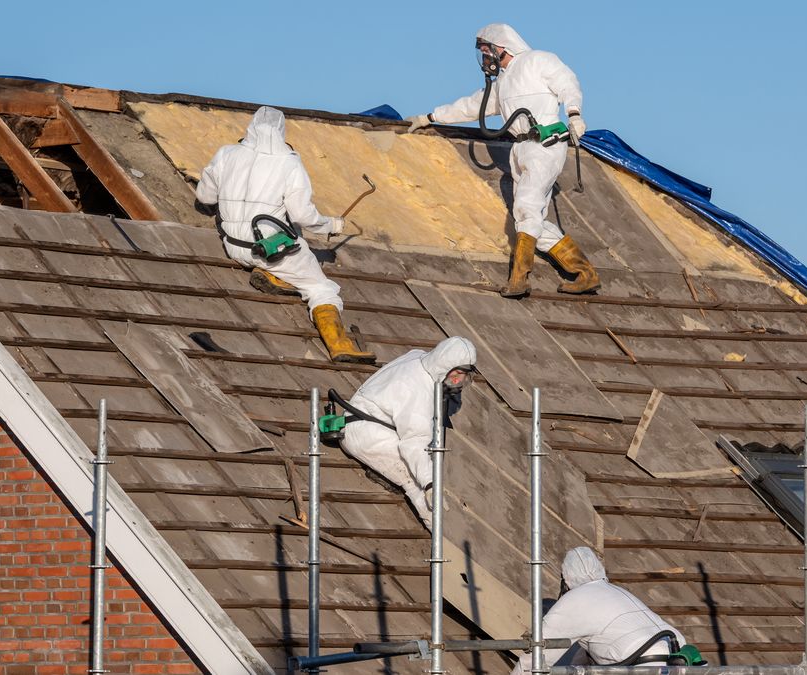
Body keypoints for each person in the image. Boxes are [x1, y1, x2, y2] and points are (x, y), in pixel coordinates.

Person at [406, 24, 601, 298]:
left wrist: (574, 114)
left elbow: (568, 82)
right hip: (520, 147)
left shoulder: (537, 60)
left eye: (487, 50)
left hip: (545, 143)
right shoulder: (502, 84)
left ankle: (519, 279)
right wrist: (430, 117)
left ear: (502, 47)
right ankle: (585, 273)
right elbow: (472, 106)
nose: (485, 57)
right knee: (531, 219)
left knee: (526, 207)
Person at [197, 106, 374, 364]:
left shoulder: (227, 154)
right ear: (281, 131)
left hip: (234, 246)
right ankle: (340, 345)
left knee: (287, 247)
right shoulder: (289, 162)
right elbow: (302, 216)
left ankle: (275, 277)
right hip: (270, 251)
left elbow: (204, 197)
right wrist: (331, 225)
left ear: (251, 127)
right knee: (321, 288)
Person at [339, 337, 477, 530]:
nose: (458, 381)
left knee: (423, 465)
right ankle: (443, 537)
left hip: (364, 421)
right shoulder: (417, 390)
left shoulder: (419, 357)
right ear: (443, 365)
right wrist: (430, 483)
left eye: (465, 375)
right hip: (367, 435)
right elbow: (414, 442)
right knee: (416, 482)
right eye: (457, 373)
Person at [509, 547, 686, 672]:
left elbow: (537, 655)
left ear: (566, 579)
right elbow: (585, 654)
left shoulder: (574, 599)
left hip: (643, 665)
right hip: (681, 657)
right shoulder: (615, 592)